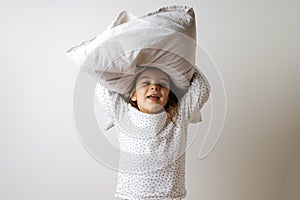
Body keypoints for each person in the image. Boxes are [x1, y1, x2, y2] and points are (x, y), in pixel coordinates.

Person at [95, 65, 210, 200]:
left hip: (169, 196)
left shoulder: (179, 116)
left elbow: (202, 88)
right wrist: (132, 62)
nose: (154, 87)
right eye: (146, 82)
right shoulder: (123, 114)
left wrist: (181, 60)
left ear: (168, 94)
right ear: (133, 95)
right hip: (132, 196)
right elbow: (103, 87)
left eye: (162, 83)